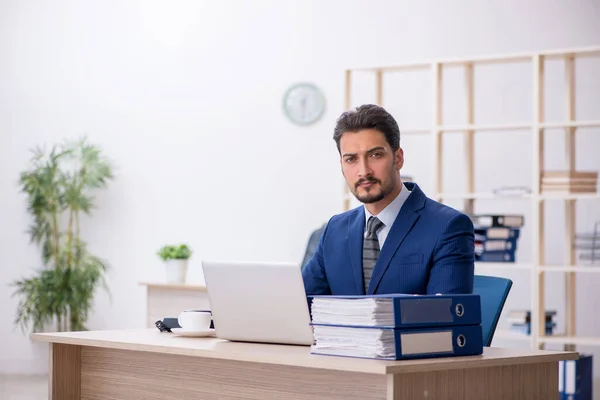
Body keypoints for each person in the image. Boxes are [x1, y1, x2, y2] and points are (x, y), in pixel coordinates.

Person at [302, 104, 475, 296]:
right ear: (342, 166)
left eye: (375, 155)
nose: (364, 171)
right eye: (351, 159)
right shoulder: (334, 230)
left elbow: (448, 318)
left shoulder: (448, 227)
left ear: (398, 158)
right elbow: (299, 305)